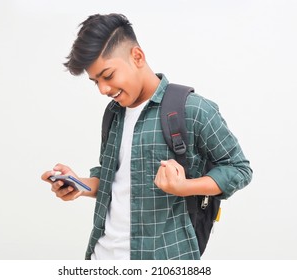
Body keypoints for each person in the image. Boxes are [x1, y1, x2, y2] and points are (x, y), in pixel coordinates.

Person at [41, 13, 252, 260]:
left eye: (108, 76)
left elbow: (239, 169)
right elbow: (115, 180)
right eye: (95, 81)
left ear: (137, 56)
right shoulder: (113, 114)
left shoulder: (192, 110)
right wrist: (80, 185)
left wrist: (185, 187)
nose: (103, 89)